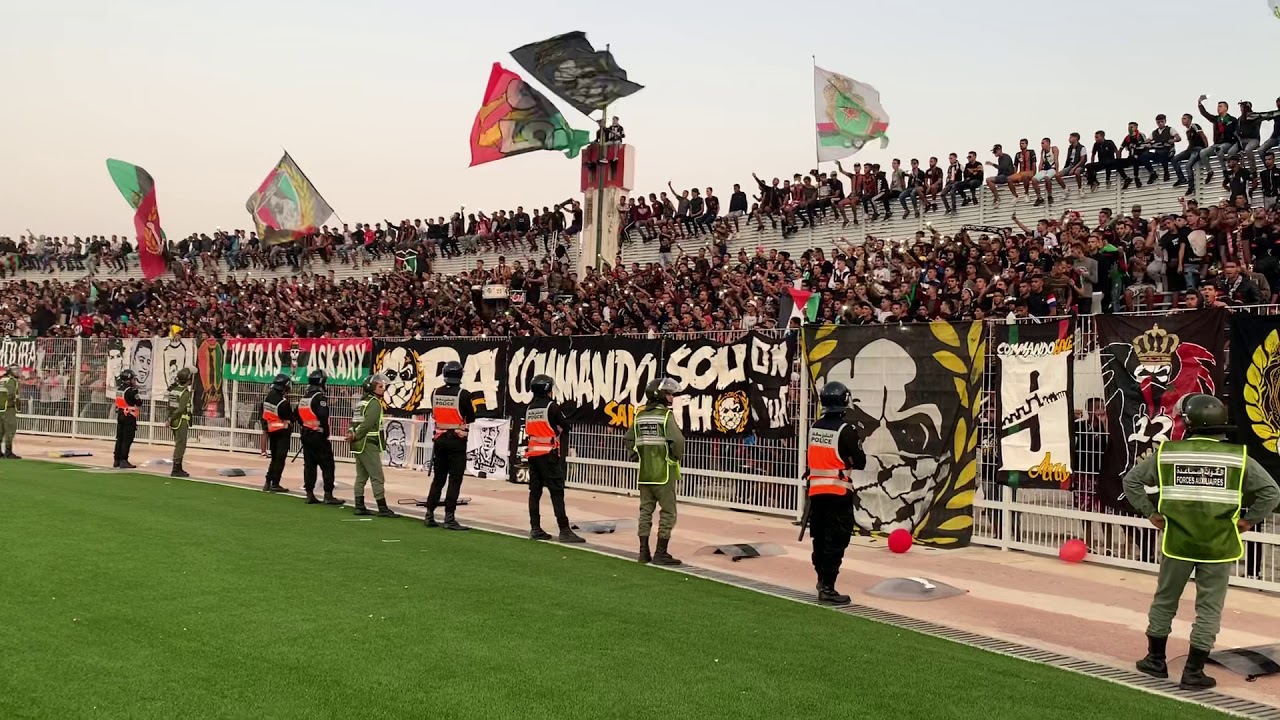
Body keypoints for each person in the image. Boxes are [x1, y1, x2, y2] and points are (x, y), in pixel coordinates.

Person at [1127, 394, 1279, 691]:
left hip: (1178, 542)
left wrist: (1151, 513)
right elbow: (1271, 492)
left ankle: (1155, 661)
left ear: (1188, 422)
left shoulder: (1168, 453)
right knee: (1209, 609)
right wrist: (1248, 521)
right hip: (1219, 545)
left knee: (1165, 600)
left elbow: (1132, 481)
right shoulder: (1238, 457)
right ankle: (1193, 672)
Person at [802, 381, 868, 606]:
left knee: (819, 539)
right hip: (838, 493)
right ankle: (828, 588)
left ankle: (821, 580)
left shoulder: (815, 428)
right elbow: (860, 461)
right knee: (836, 540)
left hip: (816, 493)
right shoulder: (846, 431)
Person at [624, 377, 684, 566]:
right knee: (668, 513)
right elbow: (678, 441)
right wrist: (675, 457)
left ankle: (643, 552)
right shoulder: (666, 416)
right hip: (663, 473)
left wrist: (636, 455)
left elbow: (628, 439)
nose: (672, 397)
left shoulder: (640, 416)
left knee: (645, 512)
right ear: (660, 396)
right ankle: (661, 553)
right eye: (669, 394)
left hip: (645, 474)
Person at [523, 374, 584, 543]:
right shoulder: (552, 407)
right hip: (548, 455)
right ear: (548, 389)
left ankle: (535, 528)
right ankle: (564, 530)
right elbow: (566, 427)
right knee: (557, 492)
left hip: (533, 455)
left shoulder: (530, 408)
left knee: (535, 492)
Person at [424, 361, 475, 530]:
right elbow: (471, 417)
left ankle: (429, 514)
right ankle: (449, 517)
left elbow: (434, 414)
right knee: (454, 479)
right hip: (456, 440)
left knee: (438, 479)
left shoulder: (435, 393)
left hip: (439, 439)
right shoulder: (463, 394)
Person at [347, 373, 396, 517]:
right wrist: (356, 434)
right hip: (368, 443)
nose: (383, 389)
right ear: (372, 388)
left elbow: (354, 422)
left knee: (361, 477)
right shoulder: (374, 403)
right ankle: (382, 507)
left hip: (358, 445)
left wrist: (352, 434)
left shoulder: (361, 402)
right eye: (380, 386)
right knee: (377, 476)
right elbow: (368, 423)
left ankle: (359, 505)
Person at [298, 369, 345, 506]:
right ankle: (328, 494)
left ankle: (309, 493)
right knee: (327, 465)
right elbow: (323, 417)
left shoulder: (304, 398)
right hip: (318, 435)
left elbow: (298, 417)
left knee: (309, 465)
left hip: (306, 434)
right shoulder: (319, 398)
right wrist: (325, 433)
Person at [260, 373, 292, 493]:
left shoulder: (267, 398)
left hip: (271, 431)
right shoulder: (282, 402)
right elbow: (290, 417)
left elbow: (263, 414)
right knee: (280, 459)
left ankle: (268, 482)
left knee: (274, 458)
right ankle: (275, 483)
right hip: (282, 432)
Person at [166, 367, 193, 478]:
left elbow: (169, 406)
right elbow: (180, 409)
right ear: (188, 380)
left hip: (174, 420)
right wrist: (170, 419)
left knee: (178, 443)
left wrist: (168, 418)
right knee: (181, 444)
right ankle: (176, 468)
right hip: (181, 420)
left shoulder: (173, 390)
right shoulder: (184, 393)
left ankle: (178, 467)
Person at [113, 369, 141, 469]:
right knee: (127, 439)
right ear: (129, 380)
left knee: (119, 438)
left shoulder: (120, 389)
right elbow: (139, 402)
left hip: (120, 414)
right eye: (133, 379)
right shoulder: (130, 391)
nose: (134, 381)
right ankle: (123, 460)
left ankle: (116, 460)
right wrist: (136, 390)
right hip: (128, 416)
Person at [0, 364, 19, 459]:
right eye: (15, 370)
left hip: (1, 408)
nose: (17, 372)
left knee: (0, 430)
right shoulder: (12, 380)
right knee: (10, 430)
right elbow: (11, 394)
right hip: (8, 408)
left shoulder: (2, 379)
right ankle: (8, 451)